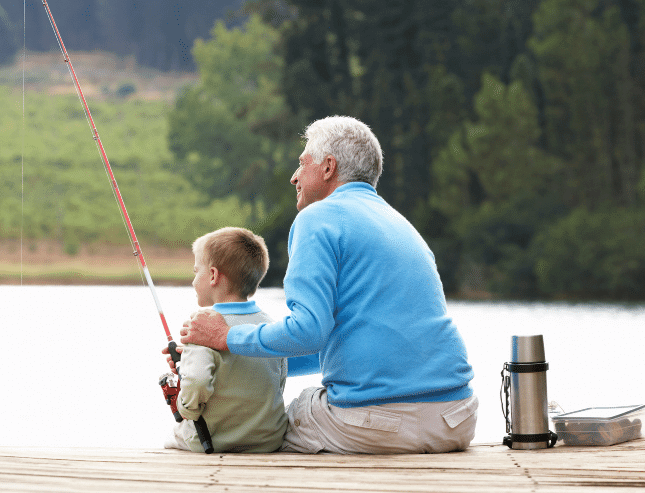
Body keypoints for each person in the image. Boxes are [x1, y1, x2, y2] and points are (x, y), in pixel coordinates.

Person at [178, 116, 478, 454]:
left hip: (380, 424)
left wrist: (225, 337)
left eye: (302, 163)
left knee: (265, 426)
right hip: (457, 418)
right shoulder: (401, 225)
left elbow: (308, 333)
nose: (294, 176)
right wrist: (231, 356)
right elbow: (337, 346)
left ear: (328, 167)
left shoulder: (316, 219)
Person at [165, 227, 288, 453]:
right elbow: (278, 381)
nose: (193, 281)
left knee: (172, 438)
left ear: (212, 275)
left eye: (196, 272)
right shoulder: (270, 326)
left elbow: (198, 381)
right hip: (268, 440)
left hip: (214, 441)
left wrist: (186, 410)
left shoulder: (202, 326)